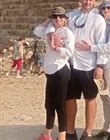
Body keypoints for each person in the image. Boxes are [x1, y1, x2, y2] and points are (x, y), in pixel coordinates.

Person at [75, 0, 110, 139]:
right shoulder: (102, 23)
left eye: (109, 8)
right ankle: (106, 128)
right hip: (101, 66)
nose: (106, 10)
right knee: (105, 98)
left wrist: (90, 48)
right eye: (104, 8)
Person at [63, 0, 106, 140]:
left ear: (94, 1)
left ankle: (88, 132)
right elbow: (55, 24)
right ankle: (70, 130)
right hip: (72, 64)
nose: (87, 2)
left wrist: (100, 65)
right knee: (69, 98)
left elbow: (102, 42)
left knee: (90, 98)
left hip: (89, 65)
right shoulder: (71, 16)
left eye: (91, 0)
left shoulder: (98, 19)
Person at [34, 7, 74, 140]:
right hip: (50, 71)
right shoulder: (48, 31)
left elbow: (70, 52)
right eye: (55, 17)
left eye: (61, 17)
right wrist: (49, 22)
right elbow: (36, 30)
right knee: (49, 104)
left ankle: (62, 137)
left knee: (60, 105)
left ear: (65, 19)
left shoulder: (68, 33)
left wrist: (58, 48)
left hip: (61, 70)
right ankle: (47, 134)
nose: (58, 19)